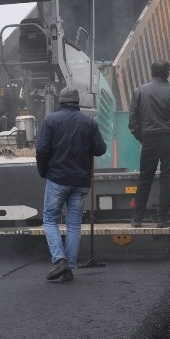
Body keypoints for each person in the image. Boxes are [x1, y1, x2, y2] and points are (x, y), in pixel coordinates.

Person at [35, 87, 107, 282]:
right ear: (77, 102)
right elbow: (101, 149)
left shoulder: (51, 121)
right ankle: (69, 268)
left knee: (50, 219)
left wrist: (43, 172)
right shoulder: (89, 123)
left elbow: (41, 149)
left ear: (61, 101)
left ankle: (60, 260)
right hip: (81, 182)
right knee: (74, 224)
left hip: (57, 179)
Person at [129, 60, 170, 228]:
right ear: (168, 74)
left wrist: (142, 137)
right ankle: (163, 218)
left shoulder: (139, 91)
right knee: (166, 179)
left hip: (149, 141)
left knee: (144, 179)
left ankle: (137, 218)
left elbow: (132, 121)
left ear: (151, 73)